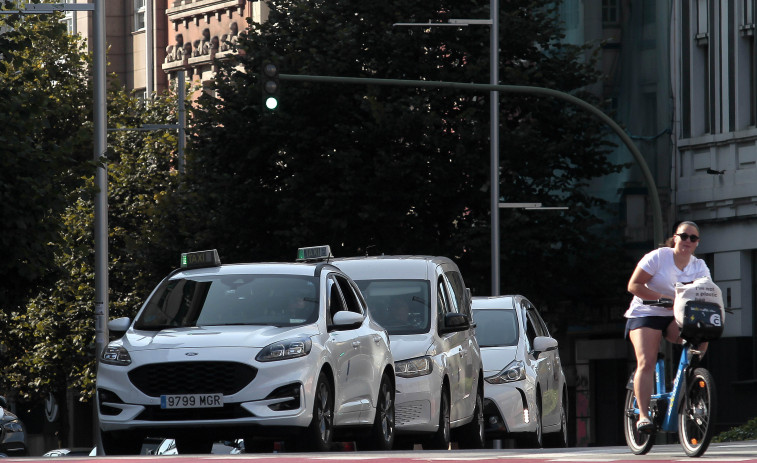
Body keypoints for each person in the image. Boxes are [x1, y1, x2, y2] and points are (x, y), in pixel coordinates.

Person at [624, 221, 711, 433]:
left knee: (702, 337)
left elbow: (706, 291)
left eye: (693, 238)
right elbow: (634, 285)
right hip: (647, 313)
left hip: (677, 316)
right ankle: (643, 416)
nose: (688, 241)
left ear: (697, 243)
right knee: (647, 361)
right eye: (684, 236)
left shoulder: (699, 266)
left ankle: (686, 380)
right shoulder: (659, 257)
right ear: (675, 237)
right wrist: (663, 298)